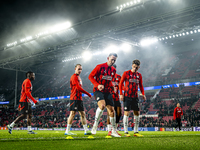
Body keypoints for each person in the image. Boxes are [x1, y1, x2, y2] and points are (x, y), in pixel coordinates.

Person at [88, 53, 120, 137]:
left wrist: (112, 86)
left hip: (107, 91)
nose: (113, 61)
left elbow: (109, 80)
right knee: (102, 106)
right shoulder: (100, 66)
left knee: (112, 111)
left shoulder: (113, 70)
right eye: (112, 59)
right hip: (98, 90)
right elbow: (90, 76)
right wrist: (97, 84)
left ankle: (113, 131)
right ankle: (95, 125)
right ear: (108, 58)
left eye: (114, 60)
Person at [119, 59, 146, 137]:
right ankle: (126, 132)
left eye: (136, 67)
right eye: (134, 67)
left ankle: (136, 132)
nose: (135, 68)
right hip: (127, 96)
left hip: (135, 97)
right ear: (132, 65)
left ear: (139, 67)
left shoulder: (139, 75)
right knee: (126, 113)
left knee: (137, 113)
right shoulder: (126, 73)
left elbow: (141, 85)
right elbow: (120, 84)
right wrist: (121, 94)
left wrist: (143, 94)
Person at [65, 64, 92, 135]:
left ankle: (86, 130)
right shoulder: (74, 77)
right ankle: (67, 131)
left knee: (83, 114)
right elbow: (78, 88)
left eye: (81, 69)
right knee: (72, 114)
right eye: (78, 69)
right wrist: (88, 94)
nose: (80, 70)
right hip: (74, 98)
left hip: (79, 99)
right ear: (75, 69)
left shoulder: (79, 78)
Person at [107, 64, 122, 136]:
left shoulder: (119, 77)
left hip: (116, 98)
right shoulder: (108, 77)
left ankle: (114, 130)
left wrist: (122, 93)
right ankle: (109, 130)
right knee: (109, 113)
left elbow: (121, 86)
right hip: (109, 97)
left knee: (119, 113)